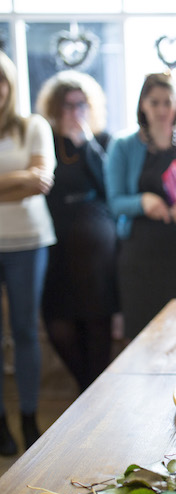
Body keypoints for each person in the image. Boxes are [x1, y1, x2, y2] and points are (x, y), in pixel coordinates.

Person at [105, 72, 176, 340]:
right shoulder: (124, 146)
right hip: (140, 256)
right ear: (142, 105)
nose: (162, 109)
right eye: (154, 102)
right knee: (142, 336)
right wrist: (143, 201)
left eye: (167, 102)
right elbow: (114, 202)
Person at [36, 70, 117, 392]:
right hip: (56, 249)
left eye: (80, 104)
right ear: (55, 108)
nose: (74, 111)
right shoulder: (45, 141)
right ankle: (87, 388)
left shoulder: (101, 141)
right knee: (59, 327)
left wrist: (85, 143)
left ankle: (92, 393)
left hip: (96, 254)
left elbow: (109, 186)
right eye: (67, 105)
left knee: (97, 324)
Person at [0, 51, 56, 454]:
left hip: (28, 242)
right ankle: (0, 422)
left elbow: (42, 181)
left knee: (24, 330)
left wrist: (20, 181)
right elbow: (29, 179)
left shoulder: (33, 125)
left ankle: (29, 418)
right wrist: (19, 180)